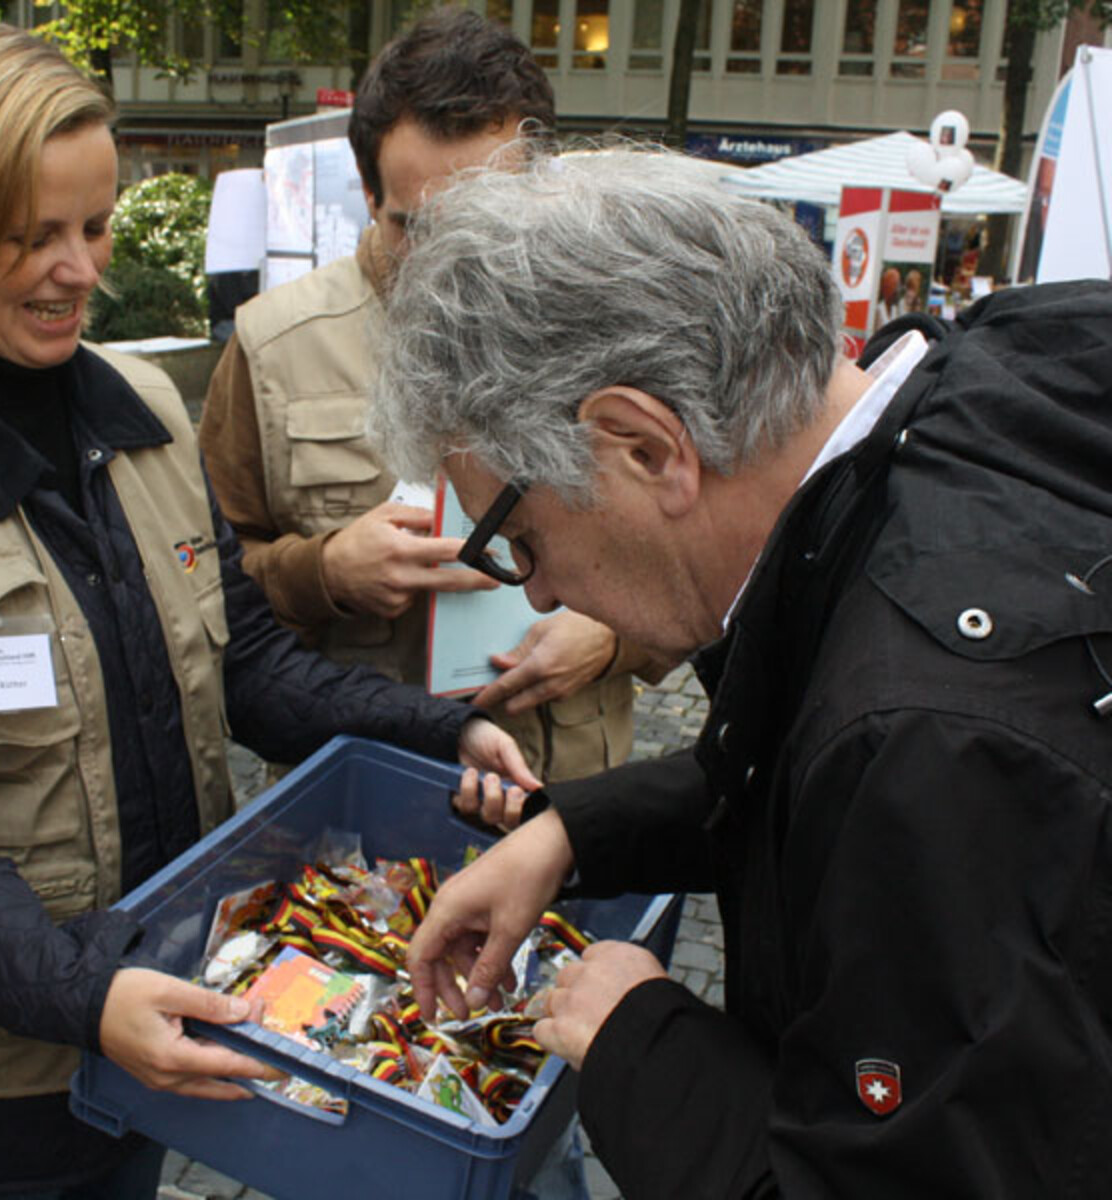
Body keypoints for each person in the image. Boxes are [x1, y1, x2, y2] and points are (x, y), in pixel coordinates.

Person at [0, 23, 539, 1199]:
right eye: (28, 238)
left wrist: (439, 729)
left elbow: (243, 660)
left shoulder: (145, 408)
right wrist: (86, 994)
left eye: (94, 226)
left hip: (161, 1016)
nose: (79, 271)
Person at [370, 146, 1112, 1197]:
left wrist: (638, 1034)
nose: (532, 593)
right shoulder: (991, 372)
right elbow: (807, 739)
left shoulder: (925, 745)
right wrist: (575, 828)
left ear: (643, 448)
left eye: (516, 534)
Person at [200, 9, 654, 804]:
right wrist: (324, 573)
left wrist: (615, 636)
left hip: (572, 793)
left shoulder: (618, 330)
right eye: (421, 226)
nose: (454, 260)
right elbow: (201, 587)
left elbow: (700, 545)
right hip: (365, 796)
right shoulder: (274, 344)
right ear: (370, 195)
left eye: (489, 221)